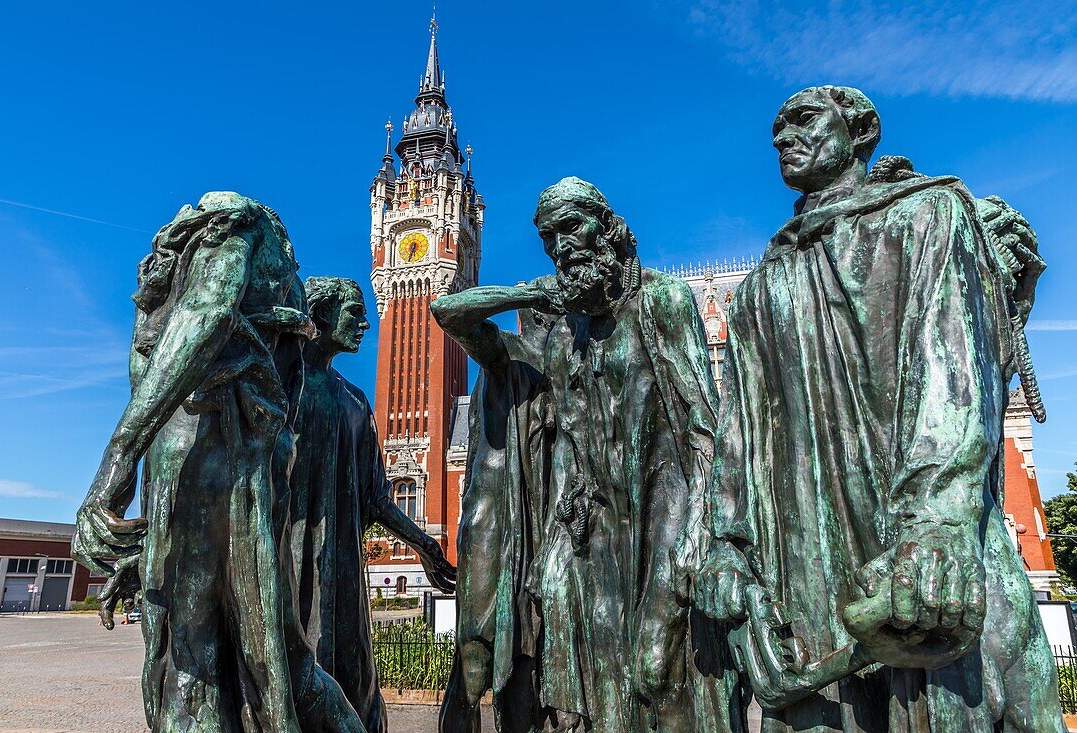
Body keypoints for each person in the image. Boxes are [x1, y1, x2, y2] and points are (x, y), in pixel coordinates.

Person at [677, 86, 1064, 731]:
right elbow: (736, 435)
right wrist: (725, 543)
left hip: (920, 555)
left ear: (857, 133)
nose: (783, 138)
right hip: (803, 578)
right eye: (776, 130)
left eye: (803, 121)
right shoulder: (754, 293)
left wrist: (935, 524)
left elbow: (955, 376)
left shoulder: (928, 218)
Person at [433, 177, 744, 733]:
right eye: (549, 238)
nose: (561, 246)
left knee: (657, 670)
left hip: (663, 519)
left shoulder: (661, 302)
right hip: (592, 532)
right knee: (600, 685)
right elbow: (448, 311)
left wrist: (706, 538)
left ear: (608, 227)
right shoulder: (560, 340)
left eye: (571, 227)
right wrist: (531, 294)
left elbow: (707, 428)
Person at [72, 192, 365, 733]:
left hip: (218, 465)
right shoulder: (193, 276)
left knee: (196, 664)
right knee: (250, 655)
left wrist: (112, 470)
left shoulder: (236, 224)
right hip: (204, 476)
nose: (152, 269)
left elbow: (205, 316)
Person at [291, 276, 456, 732]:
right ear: (321, 316)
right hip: (287, 560)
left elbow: (377, 497)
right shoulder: (280, 385)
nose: (366, 323)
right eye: (354, 313)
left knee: (356, 683)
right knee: (299, 678)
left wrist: (425, 545)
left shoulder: (355, 400)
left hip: (344, 566)